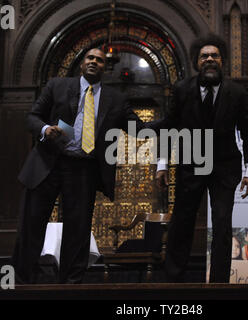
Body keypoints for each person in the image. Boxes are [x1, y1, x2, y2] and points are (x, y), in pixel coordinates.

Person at [11, 48, 147, 284]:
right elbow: (32, 117)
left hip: (83, 168)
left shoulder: (115, 99)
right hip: (49, 161)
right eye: (90, 58)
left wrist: (173, 121)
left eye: (100, 60)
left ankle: (70, 285)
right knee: (32, 221)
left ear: (106, 67)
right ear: (82, 64)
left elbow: (139, 129)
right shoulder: (57, 85)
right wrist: (45, 129)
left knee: (78, 229)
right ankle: (20, 282)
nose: (94, 62)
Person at [155, 34, 248, 283]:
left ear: (222, 61)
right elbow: (169, 127)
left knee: (222, 223)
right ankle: (173, 280)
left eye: (214, 56)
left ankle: (220, 284)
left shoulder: (237, 92)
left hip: (225, 167)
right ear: (196, 61)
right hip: (191, 164)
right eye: (205, 56)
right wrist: (161, 164)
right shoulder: (181, 89)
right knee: (182, 220)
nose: (210, 59)